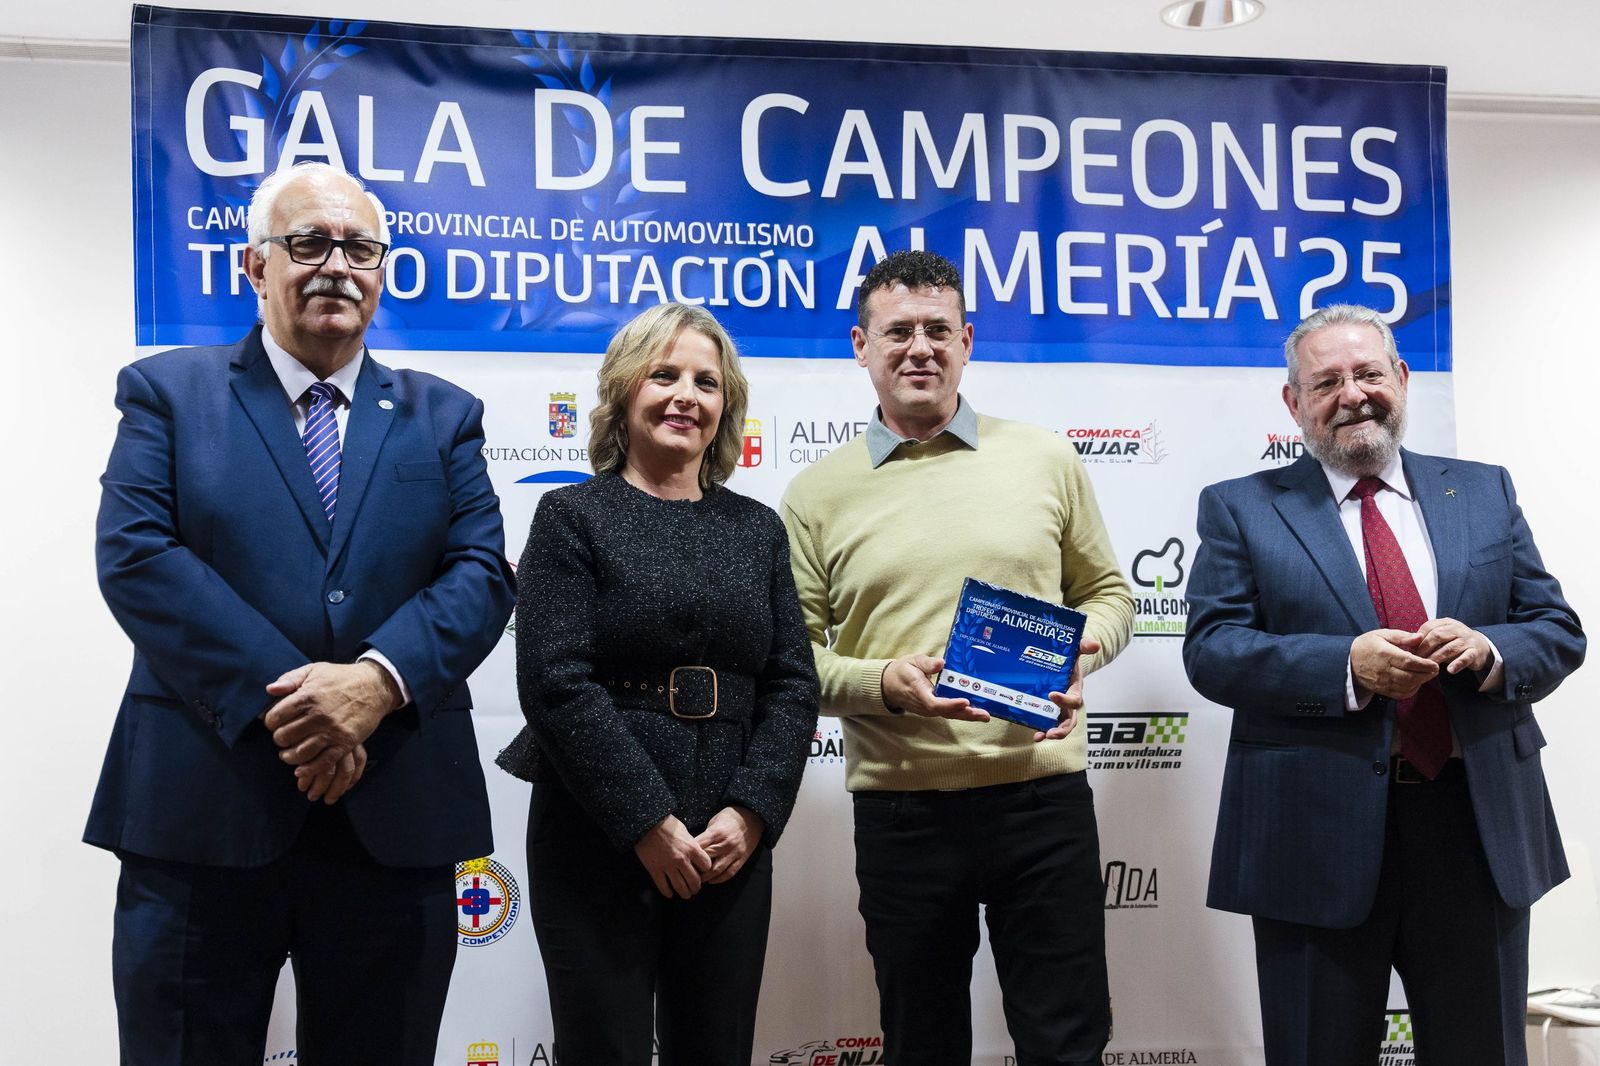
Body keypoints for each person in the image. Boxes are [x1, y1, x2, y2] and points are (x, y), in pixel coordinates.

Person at [87, 161, 517, 1066]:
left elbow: (480, 573)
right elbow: (137, 556)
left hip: (393, 817)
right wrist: (304, 707)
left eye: (359, 247)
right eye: (308, 242)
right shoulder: (167, 393)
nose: (336, 265)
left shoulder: (445, 417)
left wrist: (375, 683)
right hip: (204, 809)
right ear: (253, 265)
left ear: (383, 267)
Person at [1183, 304, 1585, 1065]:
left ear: (1401, 379)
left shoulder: (1485, 490)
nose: (1352, 393)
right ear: (1293, 402)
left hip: (1474, 827)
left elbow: (1556, 629)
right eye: (1327, 380)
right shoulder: (1241, 507)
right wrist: (1345, 665)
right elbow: (1213, 650)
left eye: (1368, 373)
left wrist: (1489, 648)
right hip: (1312, 833)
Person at [779, 250, 1134, 1066]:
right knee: (922, 1043)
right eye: (897, 331)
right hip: (905, 814)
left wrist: (1087, 646)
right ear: (860, 346)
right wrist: (884, 685)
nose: (919, 348)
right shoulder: (814, 494)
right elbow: (794, 661)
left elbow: (1111, 594)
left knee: (1067, 1038)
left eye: (938, 329)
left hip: (1042, 795)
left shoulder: (1044, 457)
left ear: (967, 341)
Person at [496, 302, 819, 1065]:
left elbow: (793, 685)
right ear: (624, 392)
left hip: (727, 842)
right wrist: (647, 821)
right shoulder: (571, 515)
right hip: (596, 832)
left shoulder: (759, 529)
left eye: (707, 382)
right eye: (664, 374)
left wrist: (752, 812)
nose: (686, 395)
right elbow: (553, 682)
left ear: (725, 407)